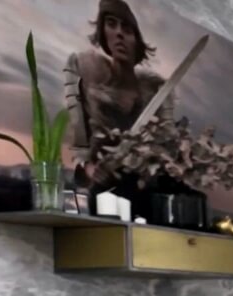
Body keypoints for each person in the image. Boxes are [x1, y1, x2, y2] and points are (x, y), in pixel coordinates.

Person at [64, 0, 173, 187]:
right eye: (111, 24)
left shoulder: (157, 92)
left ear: (137, 41)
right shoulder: (86, 76)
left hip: (142, 188)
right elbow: (78, 137)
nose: (119, 33)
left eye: (127, 29)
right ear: (103, 32)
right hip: (101, 188)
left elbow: (166, 149)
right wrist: (90, 168)